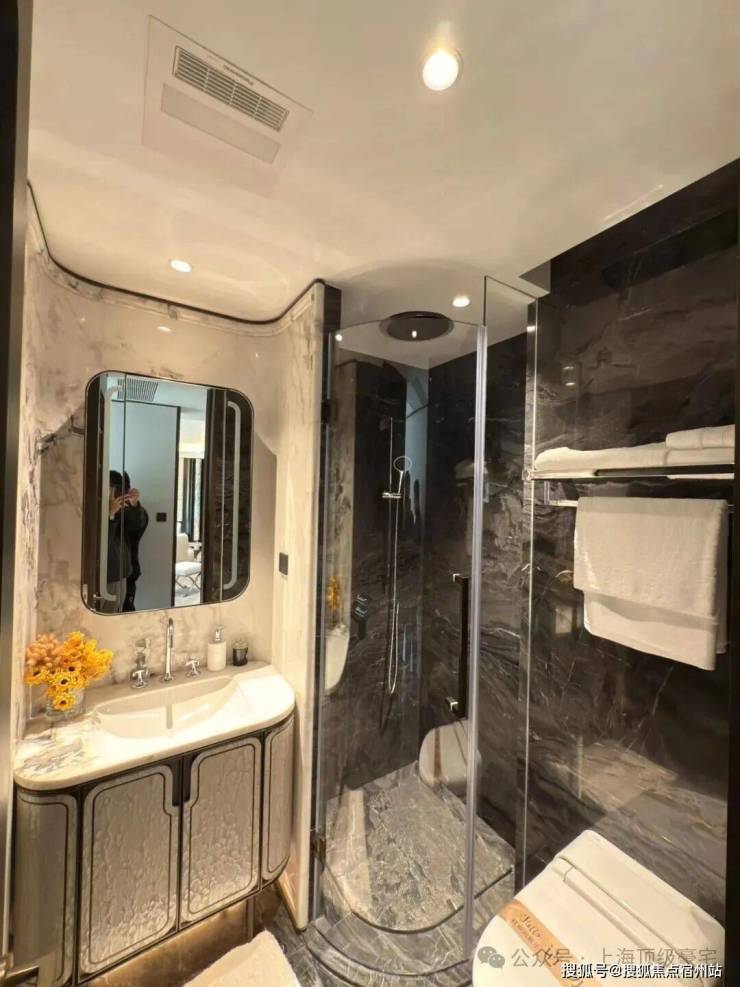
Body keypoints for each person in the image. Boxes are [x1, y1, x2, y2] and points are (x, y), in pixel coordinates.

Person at [105, 470, 148, 613]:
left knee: (123, 610)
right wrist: (110, 514)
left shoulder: (127, 510)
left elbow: (137, 525)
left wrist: (134, 505)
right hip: (110, 573)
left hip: (123, 571)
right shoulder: (98, 508)